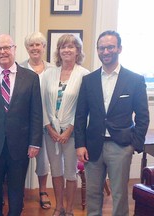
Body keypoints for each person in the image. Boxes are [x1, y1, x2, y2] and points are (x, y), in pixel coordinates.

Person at [74, 30, 149, 216]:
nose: (105, 51)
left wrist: (134, 144)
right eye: (101, 48)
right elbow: (81, 116)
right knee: (93, 194)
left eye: (110, 47)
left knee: (119, 194)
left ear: (119, 49)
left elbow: (142, 116)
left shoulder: (135, 80)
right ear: (97, 50)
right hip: (92, 147)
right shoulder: (88, 80)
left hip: (121, 146)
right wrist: (80, 144)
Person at [0, 34, 43, 216]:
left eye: (7, 47)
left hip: (20, 144)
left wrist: (35, 142)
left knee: (16, 187)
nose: (3, 52)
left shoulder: (31, 78)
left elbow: (36, 113)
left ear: (14, 49)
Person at [41, 34, 89, 216]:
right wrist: (49, 127)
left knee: (70, 172)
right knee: (56, 171)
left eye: (71, 47)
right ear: (58, 51)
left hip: (72, 132)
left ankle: (69, 209)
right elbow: (42, 103)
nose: (66, 50)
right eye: (63, 47)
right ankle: (58, 206)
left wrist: (70, 129)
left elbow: (84, 107)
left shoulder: (84, 74)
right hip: (50, 132)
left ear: (77, 51)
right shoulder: (48, 73)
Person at [20, 31, 54, 210]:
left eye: (38, 44)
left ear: (43, 47)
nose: (34, 48)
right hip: (23, 123)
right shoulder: (19, 68)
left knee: (43, 161)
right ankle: (18, 191)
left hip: (45, 122)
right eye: (31, 45)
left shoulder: (53, 69)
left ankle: (42, 191)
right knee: (18, 159)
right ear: (26, 48)